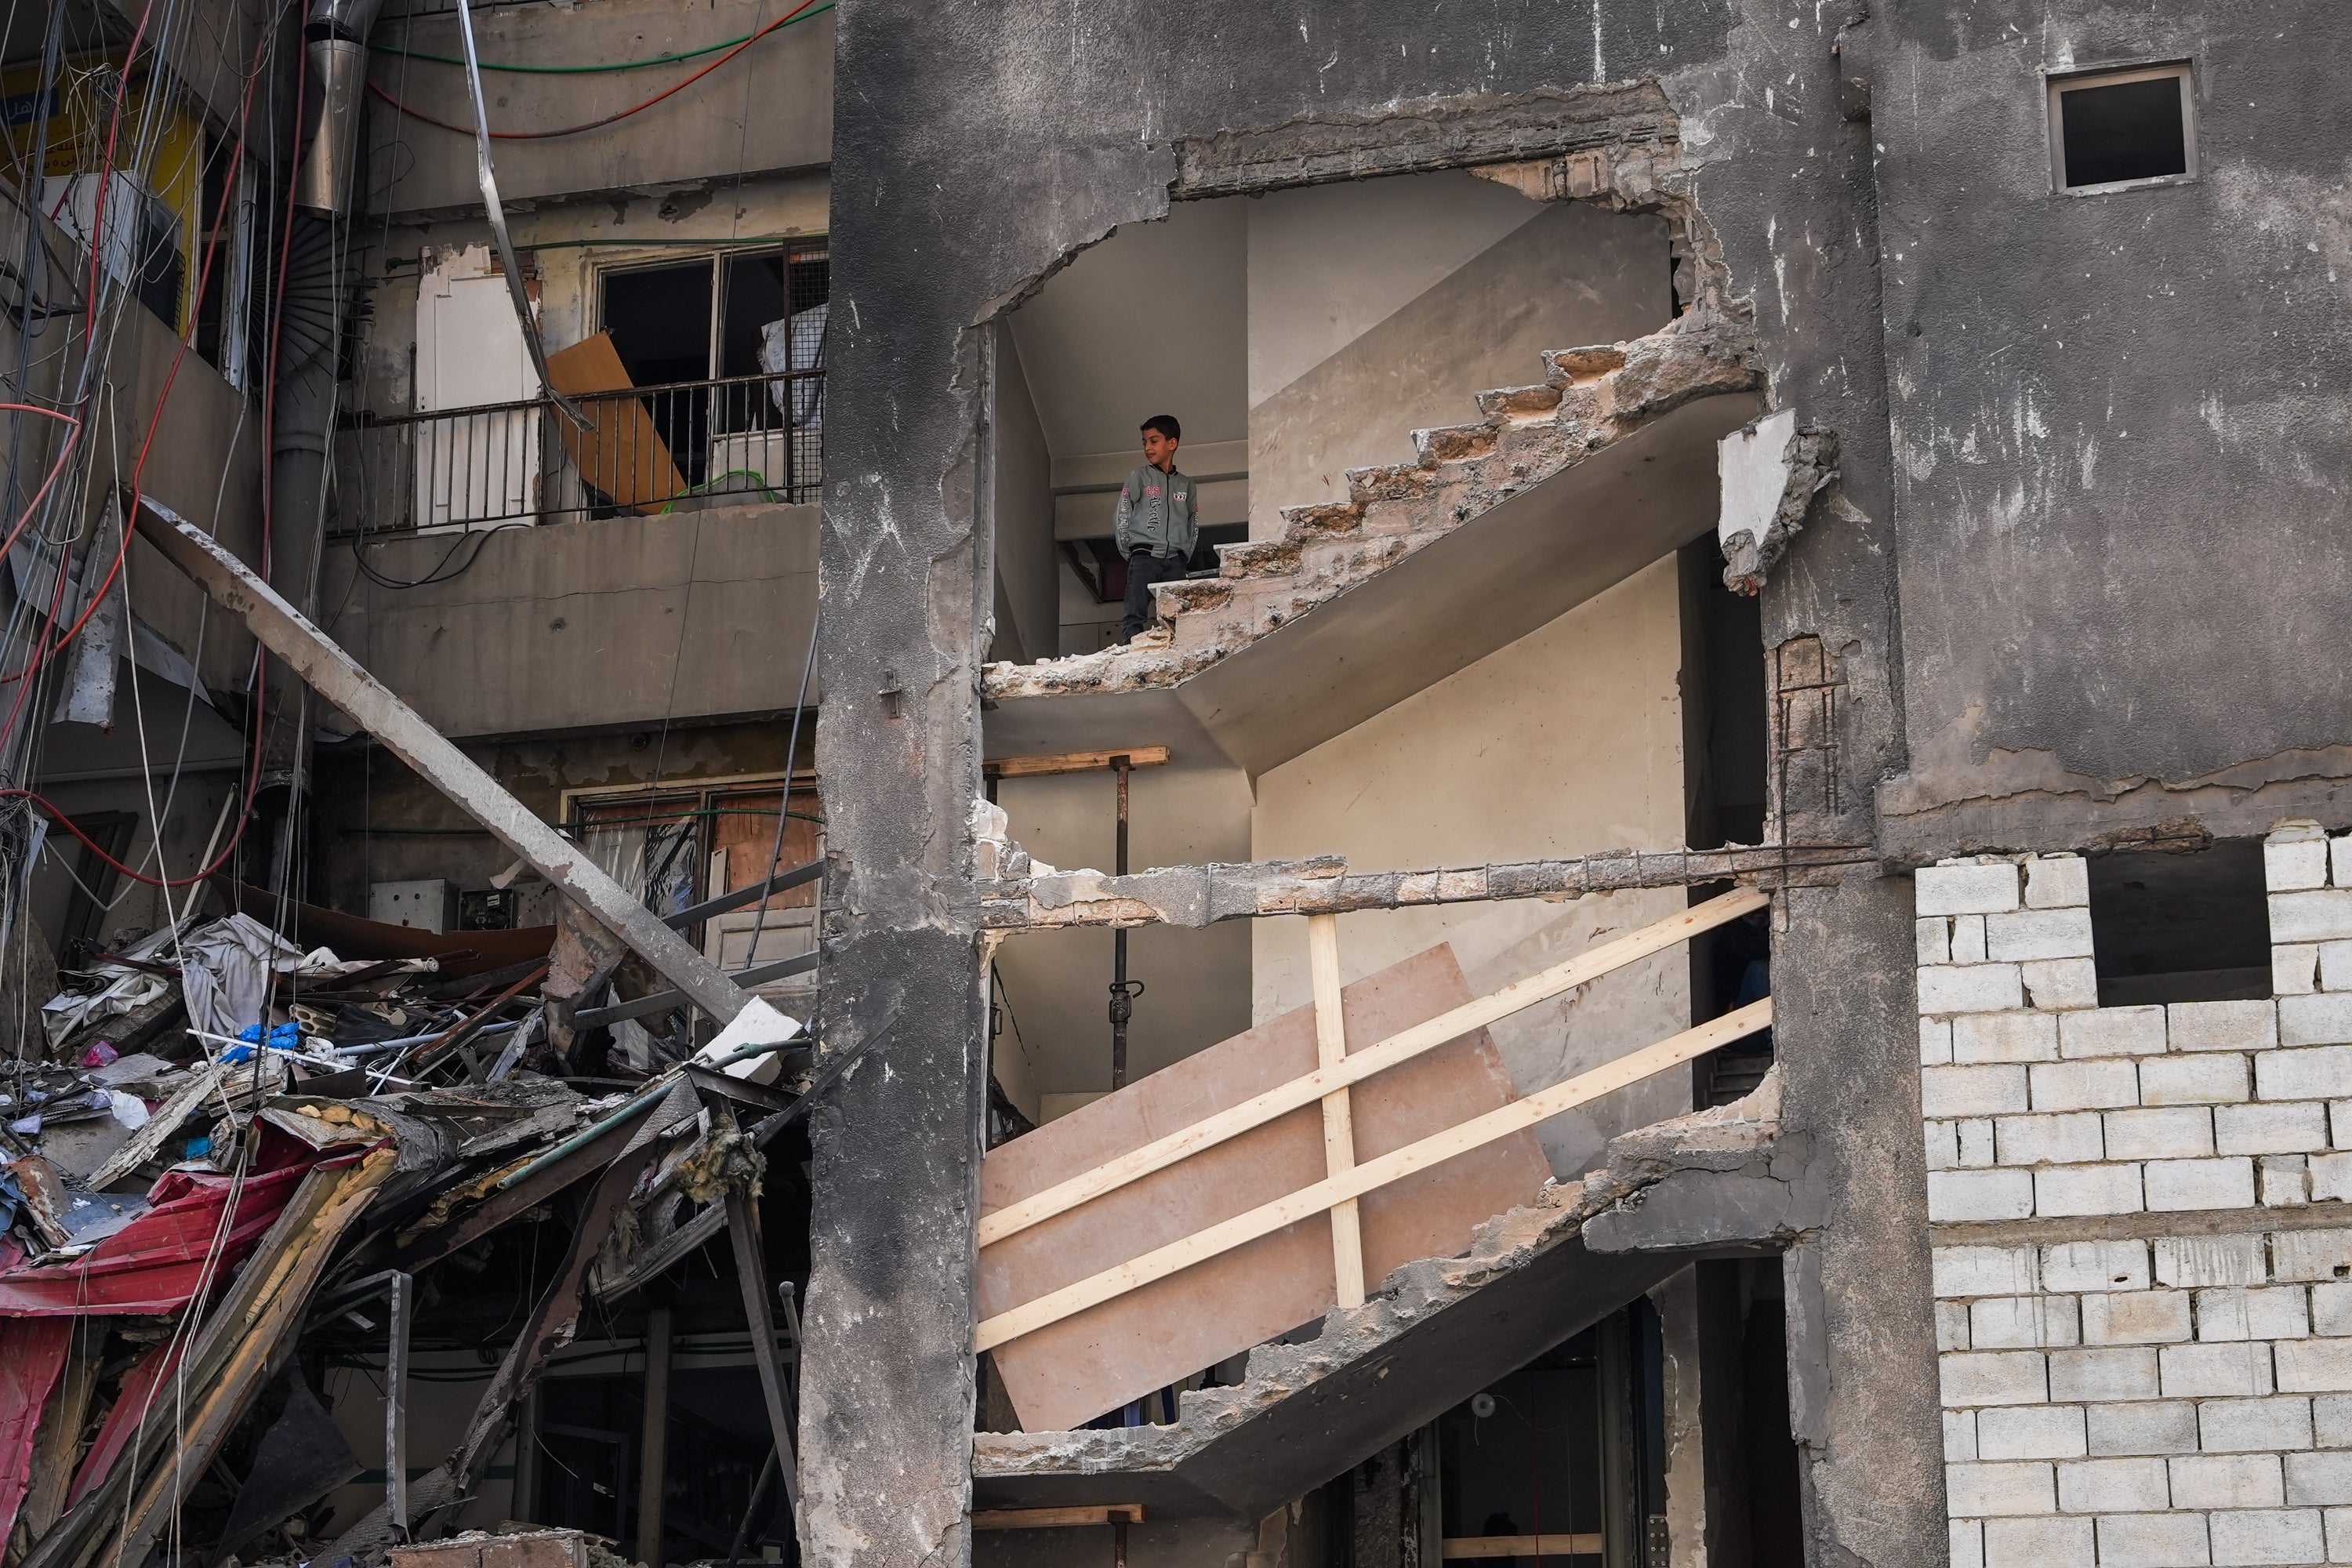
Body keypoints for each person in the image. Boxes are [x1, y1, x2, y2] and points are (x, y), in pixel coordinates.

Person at [1112, 414, 1199, 643]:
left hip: (1175, 561)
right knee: (1135, 611)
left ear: (1172, 443)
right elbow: (1123, 512)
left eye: (1154, 441)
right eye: (1145, 443)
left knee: (1176, 615)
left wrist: (1184, 554)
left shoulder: (1186, 485)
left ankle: (1175, 646)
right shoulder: (1139, 476)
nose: (1148, 448)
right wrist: (1130, 551)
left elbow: (1193, 521)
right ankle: (1132, 646)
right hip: (1144, 555)